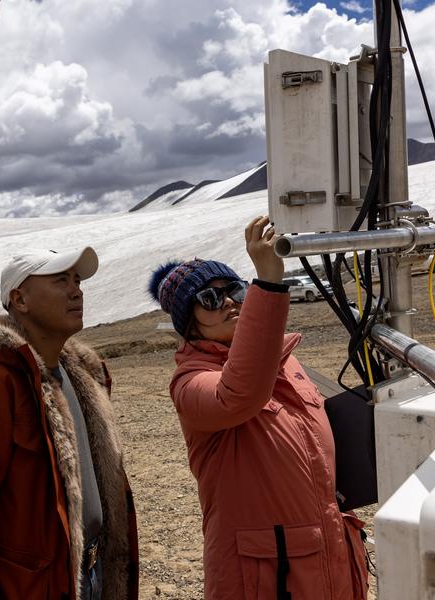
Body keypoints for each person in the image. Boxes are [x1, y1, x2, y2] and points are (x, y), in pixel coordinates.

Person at [147, 216, 368, 600]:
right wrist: (268, 281)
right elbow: (239, 393)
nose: (228, 301)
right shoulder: (190, 383)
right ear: (190, 325)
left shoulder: (286, 362)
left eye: (233, 289)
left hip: (327, 558)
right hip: (269, 578)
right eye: (209, 299)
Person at [0, 247, 139, 600]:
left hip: (94, 572)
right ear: (19, 299)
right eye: (60, 280)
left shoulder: (81, 373)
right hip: (33, 587)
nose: (76, 290)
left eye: (77, 280)